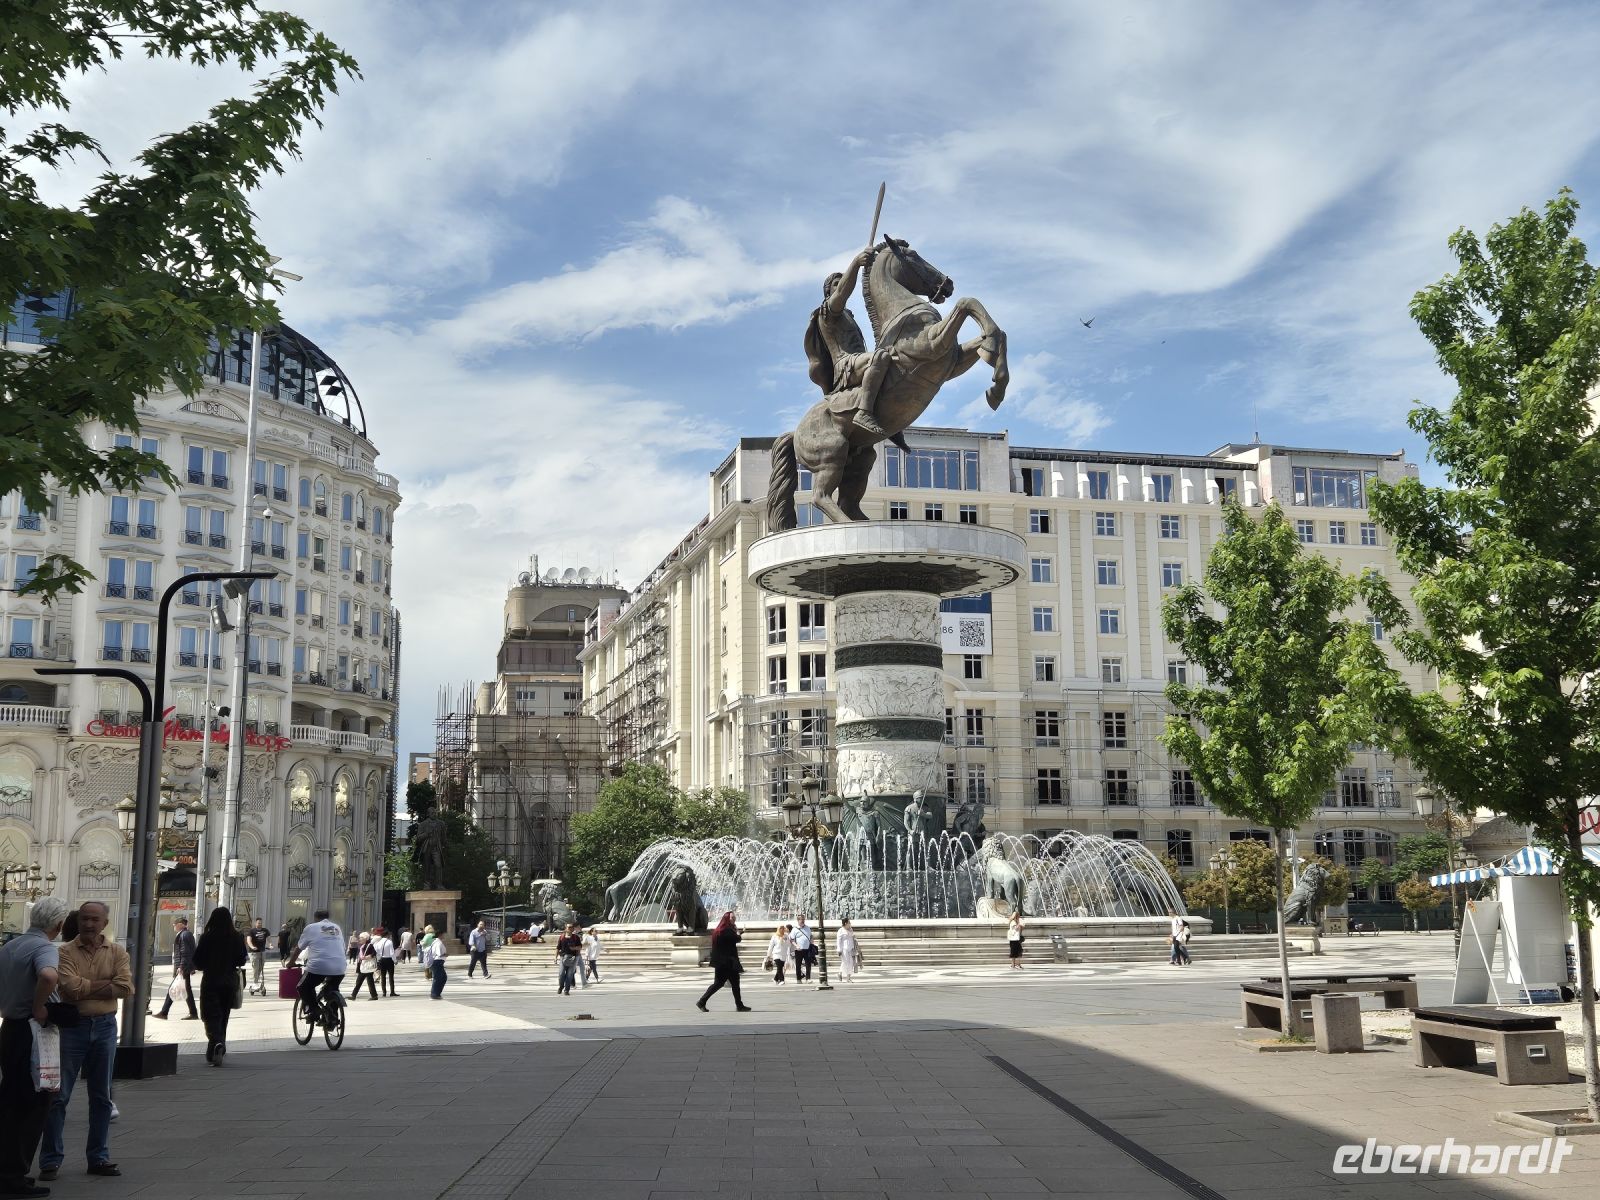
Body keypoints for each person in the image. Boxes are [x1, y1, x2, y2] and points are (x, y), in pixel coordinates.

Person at [40, 900, 128, 1183]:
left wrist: (86, 986)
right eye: (85, 919)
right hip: (72, 1028)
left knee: (101, 1096)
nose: (89, 924)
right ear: (77, 923)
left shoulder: (117, 951)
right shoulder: (64, 952)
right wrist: (105, 984)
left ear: (105, 923)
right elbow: (69, 987)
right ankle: (50, 1161)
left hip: (104, 1026)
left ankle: (98, 1157)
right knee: (58, 1096)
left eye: (95, 920)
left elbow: (126, 987)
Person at [0, 895, 68, 1198]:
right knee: (36, 1102)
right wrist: (40, 1006)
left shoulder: (10, 946)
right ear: (59, 923)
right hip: (32, 1032)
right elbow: (48, 975)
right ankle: (14, 1173)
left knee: (11, 1103)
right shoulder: (44, 947)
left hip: (10, 1028)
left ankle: (8, 1171)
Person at [803, 247, 897, 438]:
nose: (840, 286)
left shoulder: (848, 315)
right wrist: (855, 263)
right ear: (828, 292)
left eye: (841, 282)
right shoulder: (828, 311)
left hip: (858, 361)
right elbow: (844, 291)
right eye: (835, 284)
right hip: (845, 366)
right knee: (881, 357)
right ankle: (865, 412)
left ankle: (892, 419)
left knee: (895, 360)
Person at [192, 907, 246, 1067]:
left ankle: (216, 1042)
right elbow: (242, 960)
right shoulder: (236, 937)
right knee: (223, 1014)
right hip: (230, 981)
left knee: (209, 1015)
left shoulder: (207, 937)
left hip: (211, 980)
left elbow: (198, 960)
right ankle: (216, 1050)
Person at [286, 909, 346, 1023]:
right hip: (340, 966)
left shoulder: (311, 927)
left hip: (318, 966)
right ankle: (332, 1018)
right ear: (328, 917)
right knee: (332, 988)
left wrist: (291, 963)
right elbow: (342, 947)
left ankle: (314, 1009)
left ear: (315, 917)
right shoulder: (336, 927)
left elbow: (299, 948)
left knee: (303, 986)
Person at [695, 911, 751, 1013]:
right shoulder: (727, 930)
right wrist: (738, 933)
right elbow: (737, 939)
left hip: (722, 962)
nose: (734, 919)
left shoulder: (720, 930)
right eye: (732, 918)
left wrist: (735, 932)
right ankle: (702, 1001)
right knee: (725, 984)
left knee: (726, 983)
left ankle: (739, 1005)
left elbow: (729, 940)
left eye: (735, 918)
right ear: (727, 919)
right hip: (728, 963)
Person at [151, 916, 197, 1020]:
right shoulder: (186, 934)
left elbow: (185, 953)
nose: (174, 927)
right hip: (185, 966)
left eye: (174, 925)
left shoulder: (184, 935)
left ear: (180, 924)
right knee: (186, 990)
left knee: (172, 989)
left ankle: (164, 1012)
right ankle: (193, 1013)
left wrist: (181, 967)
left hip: (183, 967)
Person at [348, 933, 379, 1001]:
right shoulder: (363, 946)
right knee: (369, 982)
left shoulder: (369, 945)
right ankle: (374, 996)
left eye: (361, 937)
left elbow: (374, 953)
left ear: (365, 938)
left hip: (366, 966)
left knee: (360, 981)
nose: (359, 939)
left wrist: (367, 957)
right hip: (364, 966)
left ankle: (353, 995)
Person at [244, 917, 269, 996]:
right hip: (253, 953)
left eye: (261, 923)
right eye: (258, 923)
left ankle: (256, 982)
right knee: (255, 968)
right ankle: (255, 983)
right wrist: (252, 946)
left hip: (262, 951)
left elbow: (269, 939)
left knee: (260, 968)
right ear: (255, 923)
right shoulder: (251, 931)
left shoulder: (265, 931)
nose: (260, 924)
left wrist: (270, 944)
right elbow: (248, 940)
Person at [554, 925, 582, 996]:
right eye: (569, 927)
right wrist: (555, 957)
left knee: (569, 975)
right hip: (563, 957)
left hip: (573, 958)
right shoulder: (562, 937)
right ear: (566, 928)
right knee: (561, 973)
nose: (570, 928)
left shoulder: (576, 937)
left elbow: (580, 947)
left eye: (572, 927)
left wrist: (574, 948)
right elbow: (558, 947)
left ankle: (566, 990)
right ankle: (561, 986)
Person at [423, 929, 449, 1000]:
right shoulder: (438, 943)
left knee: (443, 978)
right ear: (440, 935)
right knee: (438, 978)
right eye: (443, 934)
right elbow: (439, 953)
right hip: (437, 962)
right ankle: (434, 994)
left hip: (438, 962)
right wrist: (445, 954)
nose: (444, 935)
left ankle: (437, 994)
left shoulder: (436, 942)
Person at [372, 927, 397, 997]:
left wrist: (378, 960)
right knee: (391, 977)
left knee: (383, 977)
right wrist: (395, 961)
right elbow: (392, 953)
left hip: (382, 960)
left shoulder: (378, 943)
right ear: (387, 935)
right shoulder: (389, 942)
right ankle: (392, 992)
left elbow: (376, 952)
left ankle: (384, 992)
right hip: (389, 960)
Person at [788, 916, 814, 982]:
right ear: (798, 920)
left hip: (807, 949)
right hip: (798, 950)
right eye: (801, 920)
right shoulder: (795, 929)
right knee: (798, 965)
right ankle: (798, 979)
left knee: (808, 964)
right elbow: (791, 939)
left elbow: (811, 936)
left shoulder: (808, 928)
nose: (802, 921)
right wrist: (796, 946)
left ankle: (808, 978)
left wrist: (812, 944)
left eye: (803, 919)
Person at [836, 918, 861, 983]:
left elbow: (853, 938)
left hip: (851, 949)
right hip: (844, 949)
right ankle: (840, 973)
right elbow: (838, 941)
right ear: (845, 923)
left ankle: (848, 977)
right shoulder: (840, 931)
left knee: (851, 963)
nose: (850, 924)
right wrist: (839, 950)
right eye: (849, 923)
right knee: (845, 962)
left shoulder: (851, 930)